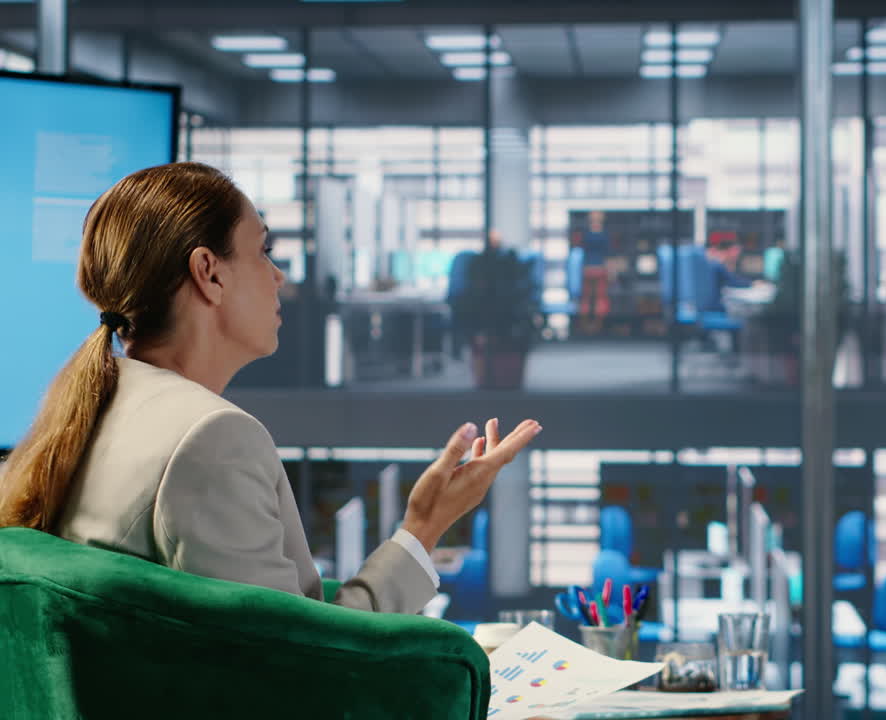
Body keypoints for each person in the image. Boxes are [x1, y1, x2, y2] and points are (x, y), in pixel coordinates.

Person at [0, 162, 542, 615]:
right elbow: (303, 671)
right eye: (262, 251)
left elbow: (287, 639)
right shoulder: (210, 439)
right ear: (208, 272)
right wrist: (427, 530)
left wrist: (423, 525)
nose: (278, 276)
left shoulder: (96, 409)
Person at [578, 210, 611, 334]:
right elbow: (607, 253)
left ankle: (585, 325)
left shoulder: (586, 234)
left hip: (587, 268)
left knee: (586, 297)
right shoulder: (604, 234)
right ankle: (598, 325)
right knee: (600, 297)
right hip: (600, 268)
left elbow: (582, 251)